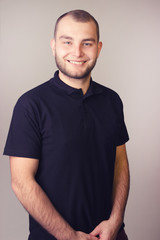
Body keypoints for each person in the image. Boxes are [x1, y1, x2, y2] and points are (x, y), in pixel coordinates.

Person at [4, 10, 130, 240]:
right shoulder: (31, 105)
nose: (77, 52)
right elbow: (21, 182)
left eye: (87, 43)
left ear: (99, 48)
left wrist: (115, 221)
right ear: (53, 45)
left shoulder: (112, 101)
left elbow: (120, 163)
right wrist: (69, 236)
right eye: (67, 42)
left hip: (110, 235)